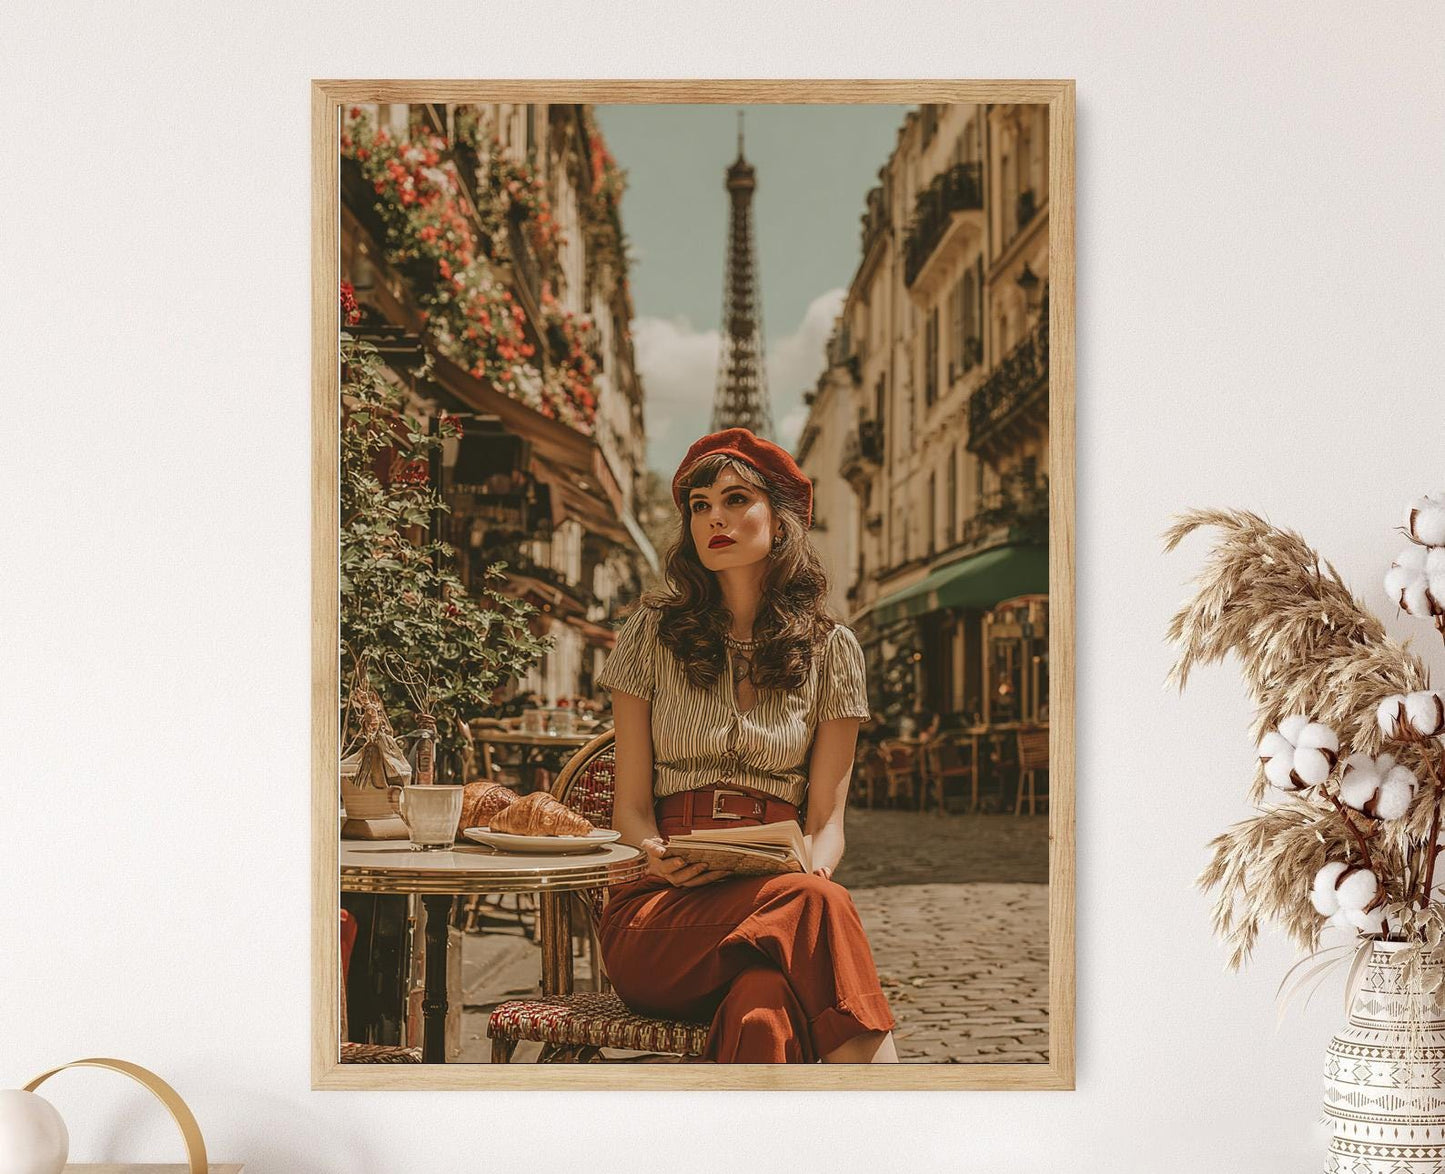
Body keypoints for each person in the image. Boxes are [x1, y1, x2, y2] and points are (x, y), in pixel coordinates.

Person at [594, 428, 898, 1063]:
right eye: (700, 505)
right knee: (817, 906)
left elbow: (826, 823)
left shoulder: (833, 651)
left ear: (779, 523)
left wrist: (806, 871)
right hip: (661, 911)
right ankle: (888, 1108)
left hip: (778, 889)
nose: (715, 519)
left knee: (762, 1011)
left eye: (736, 500)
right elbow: (629, 811)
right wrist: (653, 855)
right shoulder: (649, 635)